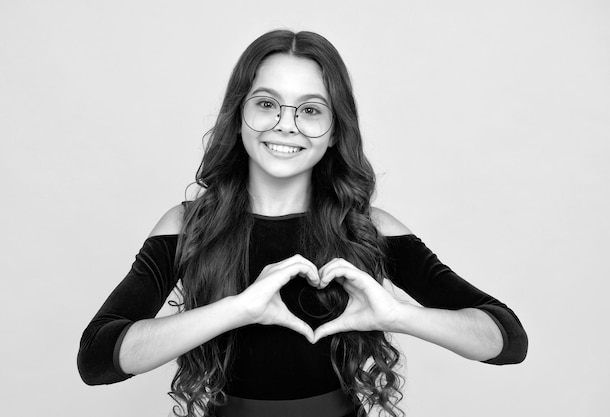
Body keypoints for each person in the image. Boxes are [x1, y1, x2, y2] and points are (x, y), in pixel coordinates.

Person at [77, 30, 528, 417]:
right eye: (267, 104)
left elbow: (506, 339)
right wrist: (238, 309)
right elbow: (98, 358)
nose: (285, 126)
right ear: (238, 117)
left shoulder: (370, 227)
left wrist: (399, 316)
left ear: (335, 131)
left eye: (310, 110)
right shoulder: (187, 225)